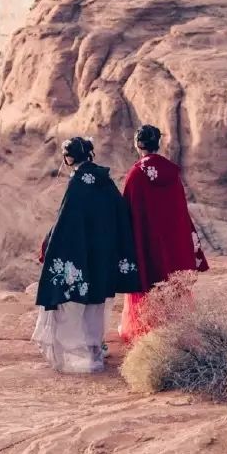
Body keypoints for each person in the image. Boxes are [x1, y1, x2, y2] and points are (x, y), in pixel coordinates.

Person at [34, 135, 141, 375]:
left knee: (74, 306)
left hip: (82, 253)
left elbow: (66, 221)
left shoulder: (78, 184)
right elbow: (121, 213)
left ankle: (80, 356)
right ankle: (95, 349)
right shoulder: (105, 180)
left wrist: (50, 245)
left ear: (70, 158)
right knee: (96, 303)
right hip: (103, 254)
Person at [119, 124, 210, 343]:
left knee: (149, 283)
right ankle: (176, 331)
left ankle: (149, 332)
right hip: (173, 242)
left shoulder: (135, 175)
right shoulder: (172, 173)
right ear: (158, 143)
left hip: (148, 243)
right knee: (172, 284)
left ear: (137, 144)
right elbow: (179, 210)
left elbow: (128, 212)